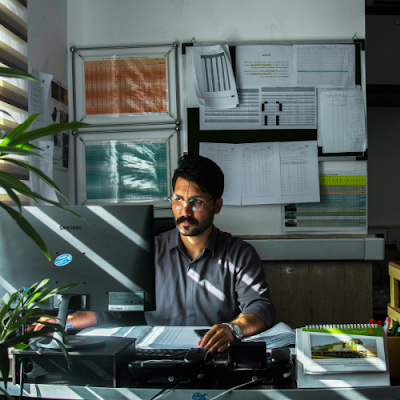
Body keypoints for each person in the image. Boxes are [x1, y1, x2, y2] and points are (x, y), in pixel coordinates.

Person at [31, 155, 275, 353]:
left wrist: (233, 329)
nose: (185, 211)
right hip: (155, 355)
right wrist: (65, 321)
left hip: (214, 356)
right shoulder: (148, 251)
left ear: (217, 206)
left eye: (196, 202)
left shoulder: (239, 255)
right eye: (178, 199)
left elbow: (259, 308)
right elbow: (118, 307)